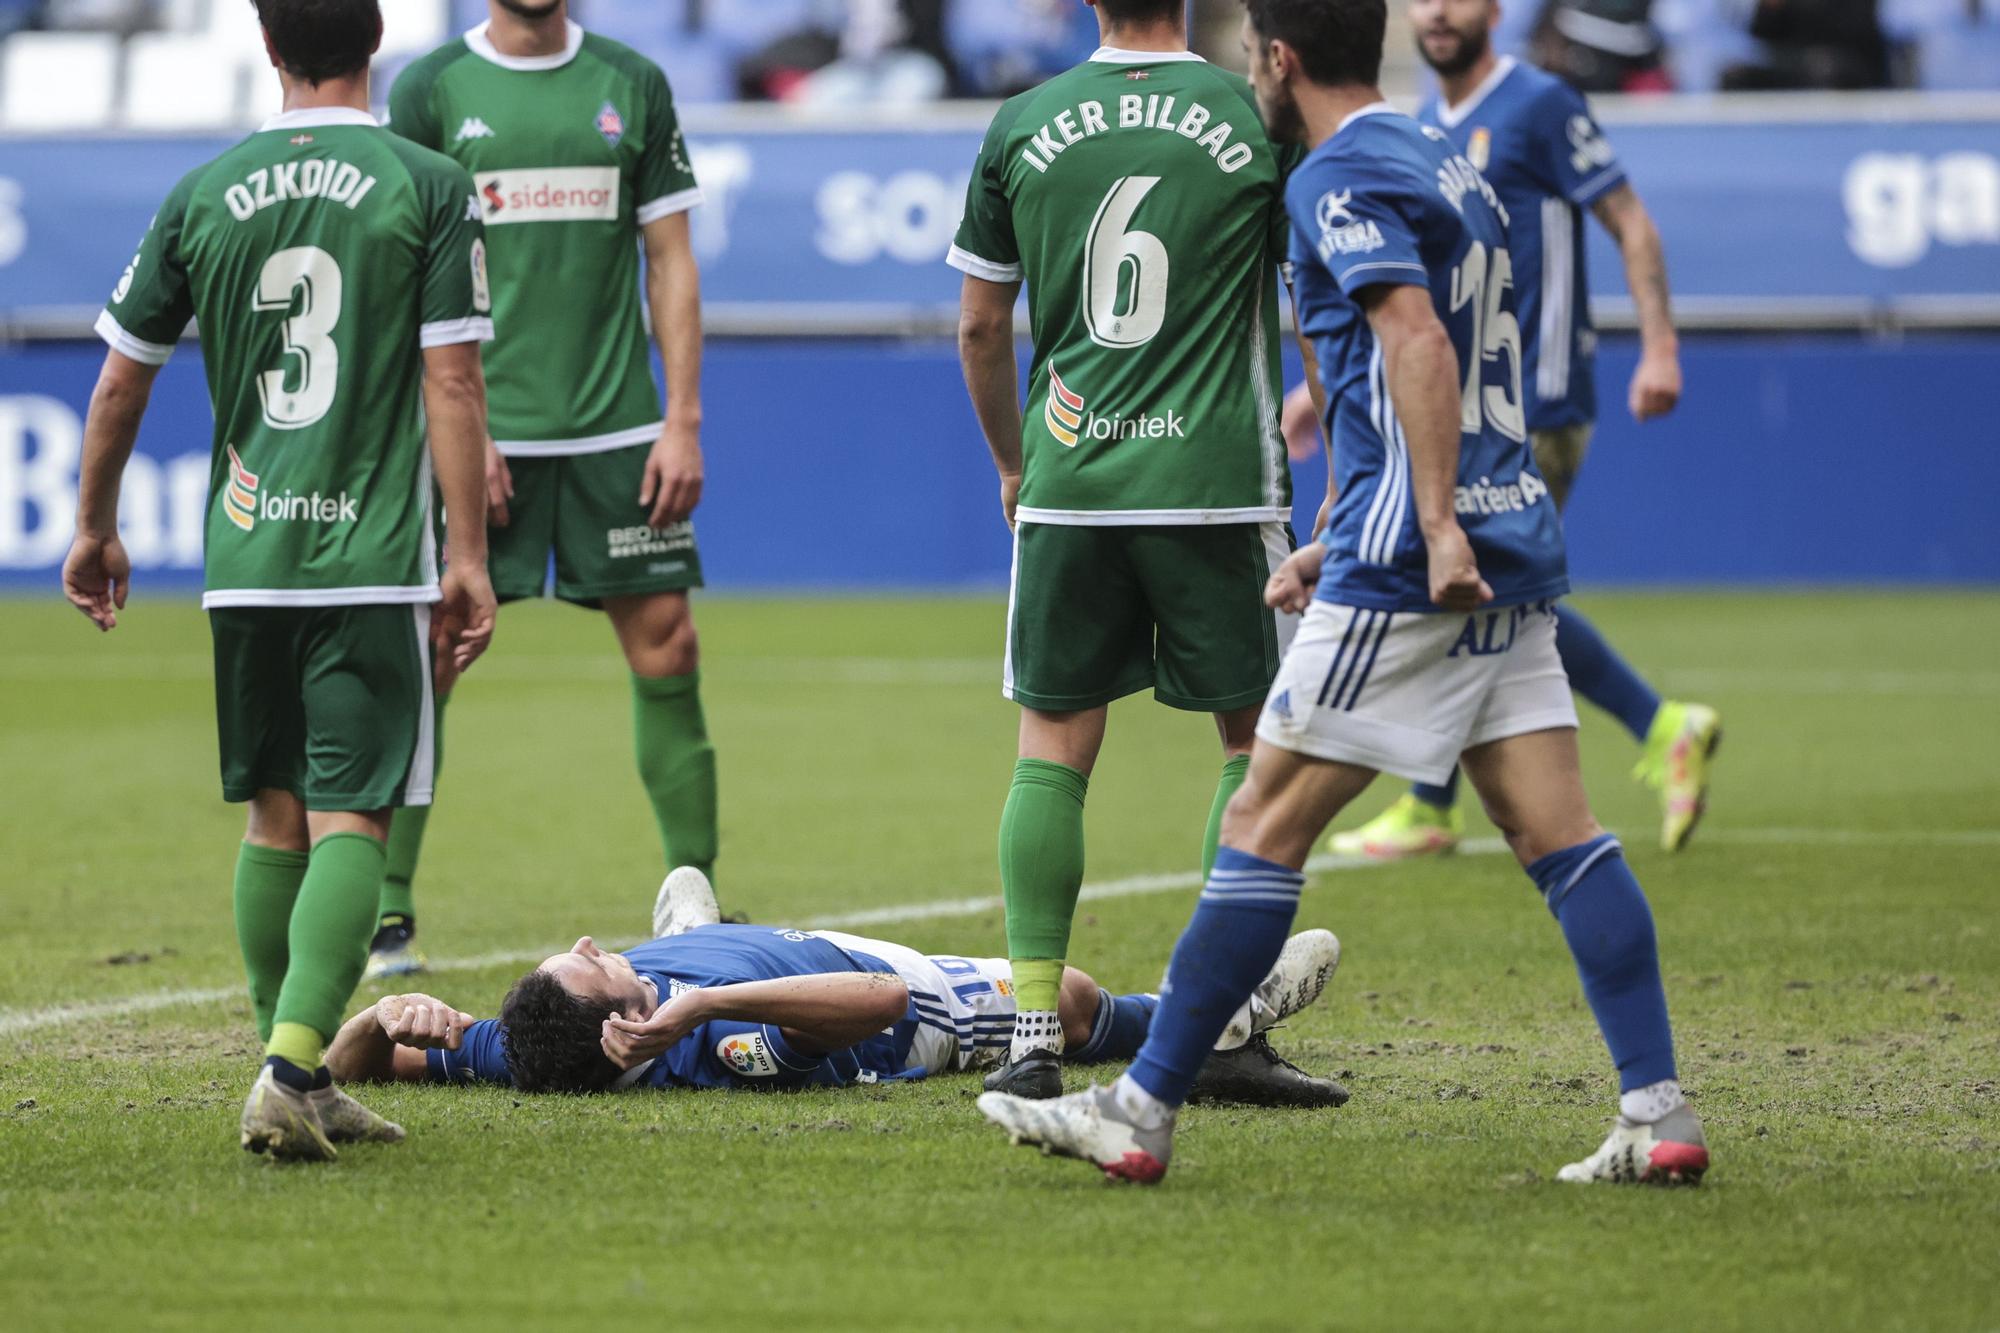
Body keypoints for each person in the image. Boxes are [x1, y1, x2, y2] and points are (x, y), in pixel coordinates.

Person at [978, 0, 1708, 1189]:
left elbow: (1414, 341)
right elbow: (1475, 345)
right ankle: (1656, 1108)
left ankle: (1140, 1106)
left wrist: (1415, 523)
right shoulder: (1444, 158)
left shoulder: (1329, 180)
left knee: (1262, 822)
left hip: (1416, 563)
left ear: (1275, 57)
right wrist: (1430, 511)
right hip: (1504, 531)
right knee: (1558, 831)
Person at [61, 0, 498, 1161]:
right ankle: (291, 1064)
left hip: (245, 560)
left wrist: (96, 526)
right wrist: (465, 555)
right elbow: (450, 387)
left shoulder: (201, 193)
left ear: (268, 50)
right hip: (367, 559)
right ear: (374, 46)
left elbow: (116, 386)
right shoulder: (427, 182)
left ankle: (286, 1066)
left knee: (273, 813)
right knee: (356, 812)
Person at [949, 0, 1299, 1100]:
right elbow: (1316, 298)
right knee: (1251, 747)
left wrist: (1013, 464)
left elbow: (977, 325)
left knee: (1051, 746)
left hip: (1071, 485)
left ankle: (1030, 1040)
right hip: (1216, 487)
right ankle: (1225, 1030)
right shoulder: (1253, 117)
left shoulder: (1021, 123)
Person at [1329, 0, 1720, 862]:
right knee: (1490, 595)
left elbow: (1630, 219)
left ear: (1494, 10)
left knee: (1479, 586)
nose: (1436, 11)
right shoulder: (1426, 123)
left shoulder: (1538, 102)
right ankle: (1454, 794)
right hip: (1467, 411)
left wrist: (1658, 347)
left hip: (1536, 402)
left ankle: (1453, 794)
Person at [373, 0, 716, 977]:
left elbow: (669, 258)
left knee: (670, 645)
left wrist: (680, 418)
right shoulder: (431, 89)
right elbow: (401, 277)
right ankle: (387, 911)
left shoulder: (632, 83)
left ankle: (697, 899)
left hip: (616, 432)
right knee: (437, 649)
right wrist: (454, 427)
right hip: (482, 431)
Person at [327, 868, 1348, 1105]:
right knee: (1070, 998)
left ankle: (702, 934)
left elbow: (361, 1064)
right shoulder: (716, 1047)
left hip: (742, 958)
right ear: (628, 1024)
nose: (590, 941)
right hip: (905, 1001)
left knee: (689, 926)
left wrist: (376, 1020)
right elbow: (878, 1003)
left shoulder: (528, 1039)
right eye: (592, 962)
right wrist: (707, 1000)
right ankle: (1223, 1016)